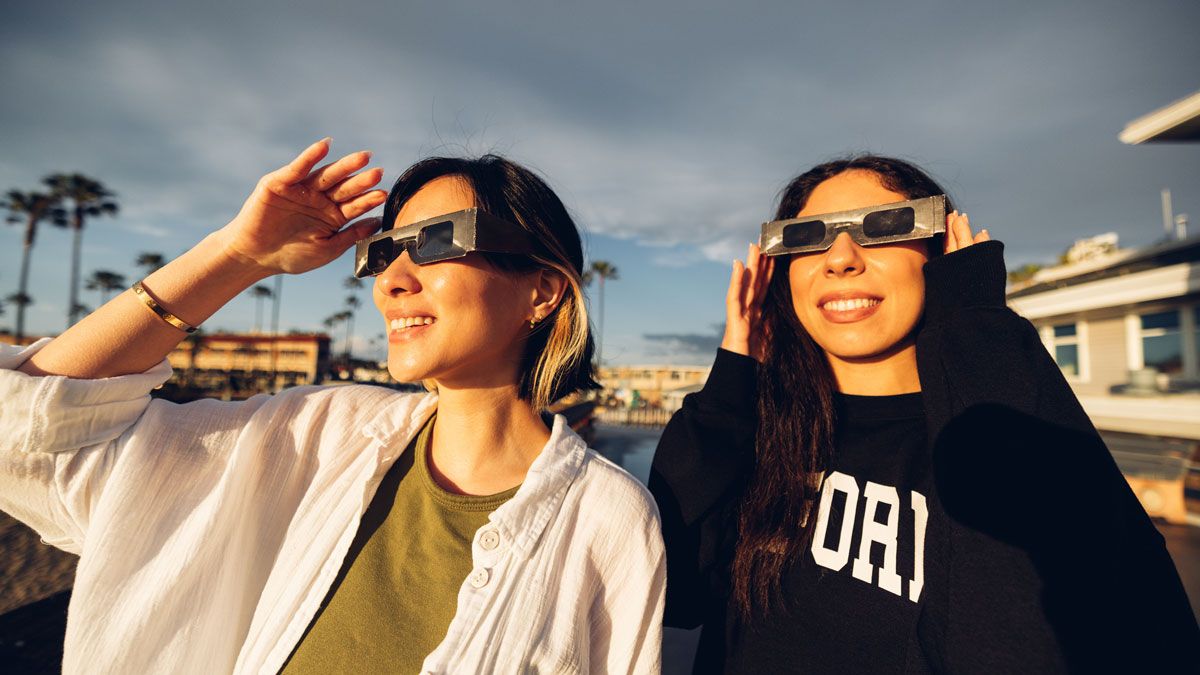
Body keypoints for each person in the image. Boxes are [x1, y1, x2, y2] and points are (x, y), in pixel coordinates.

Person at [0, 139, 664, 674]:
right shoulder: (316, 436)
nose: (393, 281)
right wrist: (238, 255)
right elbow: (35, 431)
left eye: (435, 242)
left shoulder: (609, 520)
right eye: (385, 251)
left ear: (542, 291)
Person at [649, 156, 1198, 673]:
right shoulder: (756, 438)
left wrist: (978, 333)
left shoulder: (992, 425)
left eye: (884, 225)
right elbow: (670, 595)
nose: (841, 258)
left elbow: (1071, 631)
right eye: (806, 236)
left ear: (939, 254)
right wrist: (734, 375)